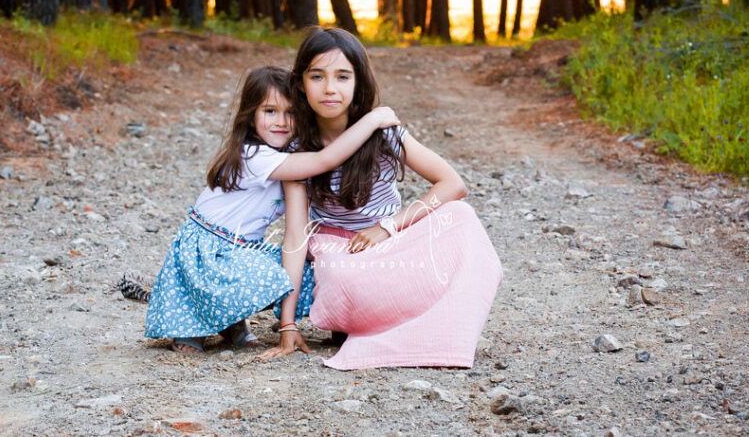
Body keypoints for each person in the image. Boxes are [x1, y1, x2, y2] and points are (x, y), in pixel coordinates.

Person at [260, 28, 503, 370]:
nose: (330, 88)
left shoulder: (384, 134)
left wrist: (387, 227)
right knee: (341, 277)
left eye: (342, 76)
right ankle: (358, 317)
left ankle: (399, 323)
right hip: (336, 251)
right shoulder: (299, 146)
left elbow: (452, 183)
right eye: (317, 76)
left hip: (390, 242)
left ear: (358, 82)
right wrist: (287, 324)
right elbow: (297, 236)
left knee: (461, 218)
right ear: (301, 83)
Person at [144, 65, 399, 354]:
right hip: (207, 253)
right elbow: (325, 161)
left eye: (291, 113)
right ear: (250, 117)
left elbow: (296, 235)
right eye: (269, 111)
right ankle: (192, 325)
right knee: (263, 272)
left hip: (240, 250)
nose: (281, 122)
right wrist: (373, 120)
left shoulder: (286, 159)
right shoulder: (254, 156)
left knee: (307, 272)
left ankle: (231, 320)